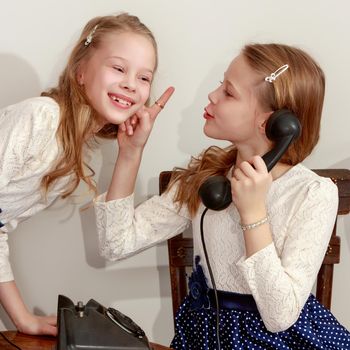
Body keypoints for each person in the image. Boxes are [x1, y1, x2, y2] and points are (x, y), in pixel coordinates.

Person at [94, 43, 350, 349]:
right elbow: (115, 243)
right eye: (220, 85)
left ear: (270, 121)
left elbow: (280, 317)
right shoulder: (209, 180)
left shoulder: (312, 193)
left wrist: (253, 213)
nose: (213, 96)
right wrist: (130, 154)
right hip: (205, 336)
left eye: (228, 92)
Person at [0, 13, 173, 336]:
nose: (130, 84)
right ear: (80, 71)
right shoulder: (41, 118)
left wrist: (23, 318)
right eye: (119, 68)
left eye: (144, 77)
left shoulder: (76, 153)